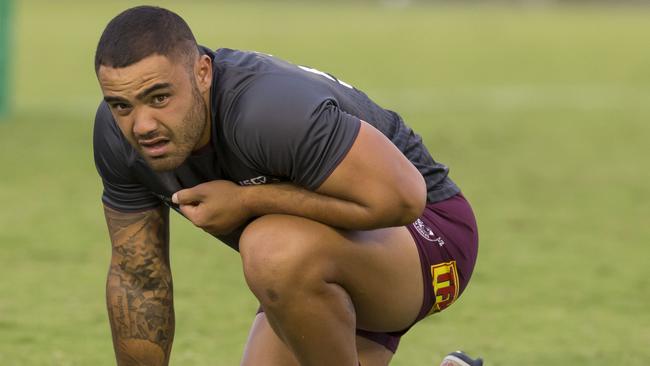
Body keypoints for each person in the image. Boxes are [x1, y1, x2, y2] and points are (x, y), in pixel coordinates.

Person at [93, 5, 479, 366]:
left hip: (426, 235)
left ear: (203, 73)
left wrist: (248, 199)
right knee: (277, 250)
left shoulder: (265, 111)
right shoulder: (117, 140)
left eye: (159, 97)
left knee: (270, 247)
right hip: (315, 266)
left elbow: (402, 200)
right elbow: (139, 278)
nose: (141, 125)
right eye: (121, 105)